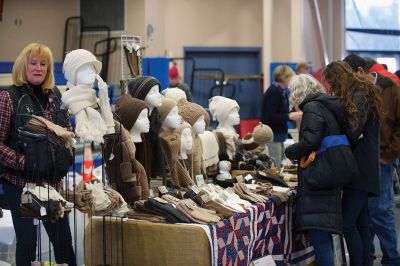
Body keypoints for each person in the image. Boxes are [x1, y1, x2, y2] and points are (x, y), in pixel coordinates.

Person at [0, 43, 76, 265]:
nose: (38, 68)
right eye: (33, 63)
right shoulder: (9, 97)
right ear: (23, 66)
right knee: (28, 242)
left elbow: (67, 133)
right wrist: (25, 162)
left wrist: (66, 156)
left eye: (43, 64)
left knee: (63, 241)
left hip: (52, 183)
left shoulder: (55, 95)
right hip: (20, 182)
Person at [324, 59, 383, 266]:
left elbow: (353, 130)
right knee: (361, 222)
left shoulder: (360, 94)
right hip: (364, 166)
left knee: (348, 224)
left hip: (359, 168)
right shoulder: (363, 91)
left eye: (330, 82)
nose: (330, 87)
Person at [343, 54, 400, 266]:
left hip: (382, 160)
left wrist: (388, 155)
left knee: (381, 212)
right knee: (366, 214)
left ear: (360, 71)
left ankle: (392, 259)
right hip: (364, 162)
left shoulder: (390, 88)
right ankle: (368, 257)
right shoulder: (359, 91)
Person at [284, 74, 343, 266]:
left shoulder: (311, 108)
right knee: (324, 234)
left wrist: (290, 151)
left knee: (320, 236)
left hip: (319, 178)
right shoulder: (325, 106)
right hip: (330, 173)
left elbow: (311, 141)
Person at [261, 65, 302, 168]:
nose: (292, 80)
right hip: (273, 136)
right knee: (276, 166)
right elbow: (269, 117)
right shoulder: (274, 92)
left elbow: (282, 110)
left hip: (279, 135)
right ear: (284, 78)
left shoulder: (281, 91)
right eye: (290, 77)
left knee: (281, 164)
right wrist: (289, 116)